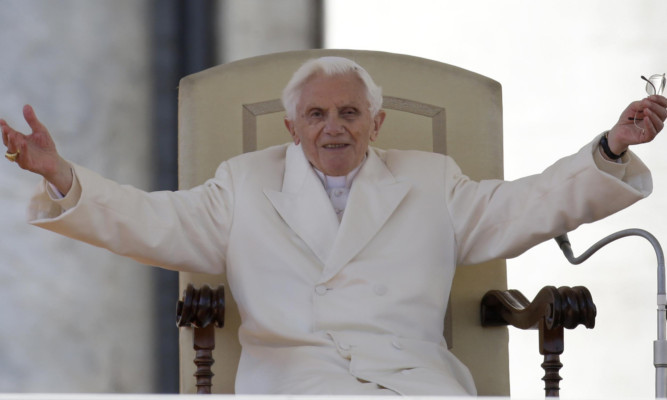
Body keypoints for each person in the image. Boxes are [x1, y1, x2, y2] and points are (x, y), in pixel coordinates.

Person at [2, 57, 666, 395]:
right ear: (290, 127)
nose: (333, 127)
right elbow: (148, 220)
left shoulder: (431, 180)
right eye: (316, 114)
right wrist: (61, 174)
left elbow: (527, 204)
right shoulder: (242, 183)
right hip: (297, 379)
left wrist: (609, 147)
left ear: (376, 125)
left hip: (414, 379)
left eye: (350, 113)